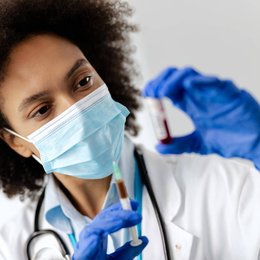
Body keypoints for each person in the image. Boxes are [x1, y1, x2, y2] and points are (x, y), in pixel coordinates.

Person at [0, 1, 259, 260]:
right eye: (42, 109)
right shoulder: (10, 248)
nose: (77, 110)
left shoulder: (220, 187)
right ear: (15, 142)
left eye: (83, 81)